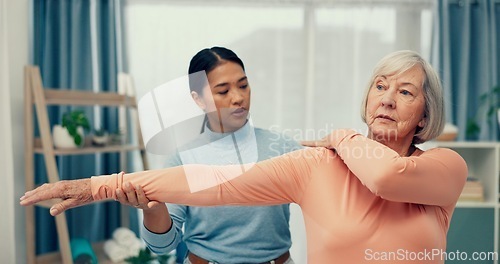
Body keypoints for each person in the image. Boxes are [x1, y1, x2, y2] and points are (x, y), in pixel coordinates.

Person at [21, 50, 468, 263]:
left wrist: (344, 137)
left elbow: (389, 178)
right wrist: (102, 185)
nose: (388, 99)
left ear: (425, 111)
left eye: (405, 91)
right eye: (380, 86)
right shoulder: (315, 164)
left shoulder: (446, 167)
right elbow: (217, 182)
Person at [116, 47, 301, 264]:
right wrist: (153, 211)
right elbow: (162, 246)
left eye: (243, 85)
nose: (238, 97)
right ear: (198, 99)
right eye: (223, 91)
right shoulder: (182, 158)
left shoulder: (283, 147)